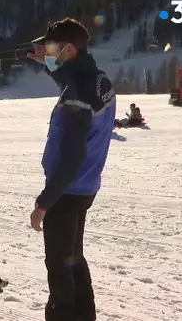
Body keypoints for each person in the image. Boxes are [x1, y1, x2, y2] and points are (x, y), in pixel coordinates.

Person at [27, 18, 116, 321]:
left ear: (68, 49)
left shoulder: (79, 90)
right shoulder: (96, 78)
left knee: (60, 268)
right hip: (84, 187)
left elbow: (72, 156)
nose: (46, 52)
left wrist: (44, 203)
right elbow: (70, 81)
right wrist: (48, 64)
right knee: (74, 259)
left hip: (67, 190)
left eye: (51, 48)